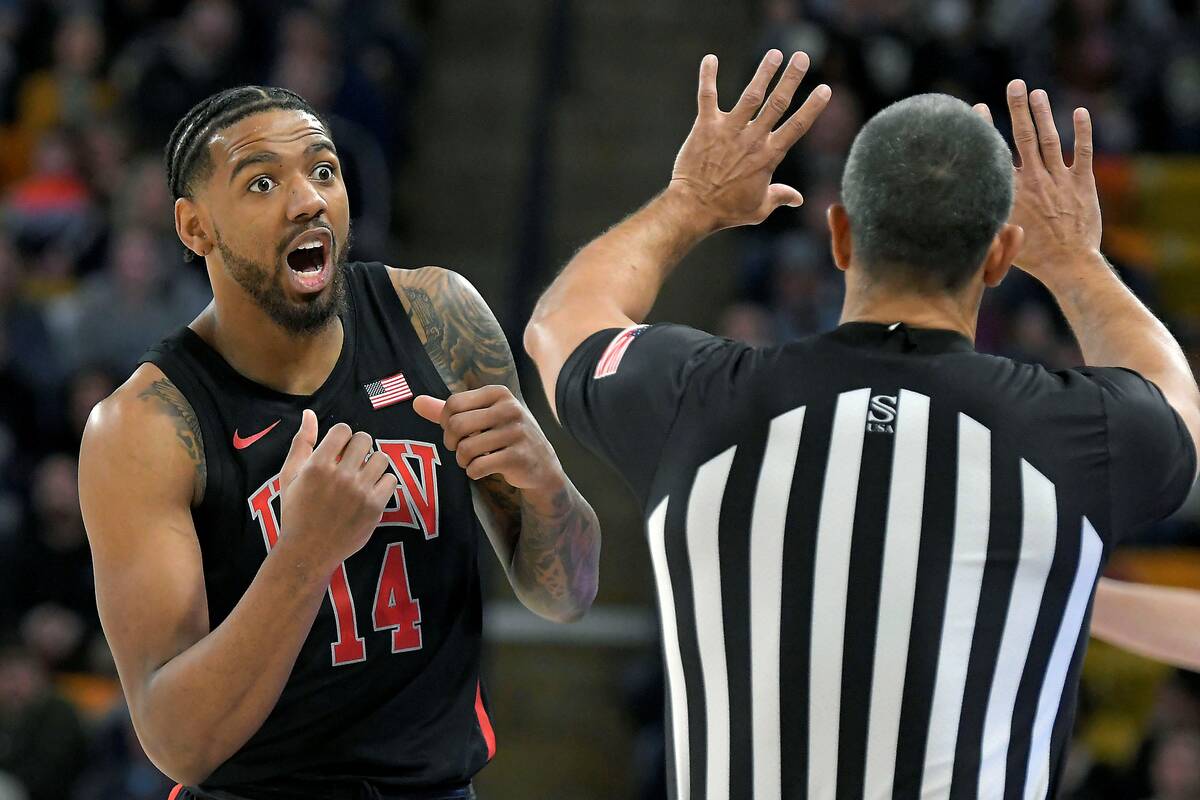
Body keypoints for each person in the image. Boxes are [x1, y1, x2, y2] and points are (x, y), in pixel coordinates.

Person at [524, 50, 1200, 799]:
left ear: (841, 237)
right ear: (1001, 255)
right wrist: (1074, 261)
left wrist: (690, 202)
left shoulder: (699, 400)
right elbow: (1175, 401)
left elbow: (559, 323)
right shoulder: (1079, 434)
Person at [78, 86, 601, 799]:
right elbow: (179, 744)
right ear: (195, 227)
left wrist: (549, 491)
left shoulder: (434, 316)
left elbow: (566, 597)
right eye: (262, 182)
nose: (307, 201)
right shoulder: (144, 425)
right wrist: (304, 555)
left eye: (323, 171)